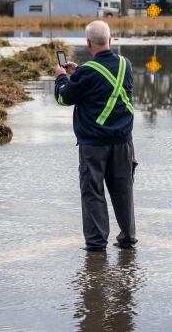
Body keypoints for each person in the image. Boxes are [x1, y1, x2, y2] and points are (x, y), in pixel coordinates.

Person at [54, 20, 137, 252]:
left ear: (88, 42)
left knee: (93, 192)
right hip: (123, 142)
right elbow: (102, 80)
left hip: (93, 145)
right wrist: (78, 72)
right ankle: (128, 237)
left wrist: (62, 76)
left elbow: (63, 98)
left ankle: (96, 243)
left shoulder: (88, 72)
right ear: (110, 40)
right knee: (123, 190)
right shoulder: (126, 65)